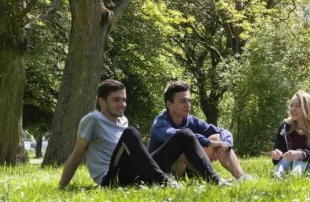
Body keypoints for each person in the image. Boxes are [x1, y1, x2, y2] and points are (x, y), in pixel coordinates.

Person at [59, 80, 225, 188]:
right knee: (131, 133)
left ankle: (216, 181)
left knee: (185, 134)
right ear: (101, 101)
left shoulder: (123, 120)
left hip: (133, 171)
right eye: (116, 100)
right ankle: (164, 182)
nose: (122, 104)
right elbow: (77, 154)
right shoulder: (92, 119)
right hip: (112, 178)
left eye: (124, 100)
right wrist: (62, 186)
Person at [149, 81, 251, 182]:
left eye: (189, 101)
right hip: (166, 171)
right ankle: (211, 179)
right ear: (169, 104)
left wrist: (225, 143)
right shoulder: (160, 124)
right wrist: (208, 142)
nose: (188, 105)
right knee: (182, 147)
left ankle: (241, 178)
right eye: (183, 101)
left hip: (189, 168)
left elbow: (223, 131)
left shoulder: (191, 120)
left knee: (217, 138)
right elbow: (182, 137)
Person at [272, 91, 310, 177]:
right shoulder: (285, 126)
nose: (293, 109)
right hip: (287, 163)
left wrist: (301, 154)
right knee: (287, 160)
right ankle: (277, 176)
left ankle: (294, 178)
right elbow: (279, 153)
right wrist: (276, 155)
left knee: (299, 158)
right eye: (291, 105)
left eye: (297, 106)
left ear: (307, 108)